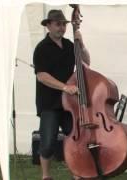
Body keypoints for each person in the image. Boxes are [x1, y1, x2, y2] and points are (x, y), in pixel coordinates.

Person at [33, 9, 90, 180]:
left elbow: (86, 62)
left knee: (75, 139)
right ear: (48, 26)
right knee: (48, 143)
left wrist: (82, 44)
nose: (62, 28)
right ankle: (45, 176)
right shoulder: (42, 48)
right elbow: (42, 76)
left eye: (64, 25)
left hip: (69, 103)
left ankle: (77, 173)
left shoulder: (69, 45)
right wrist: (65, 87)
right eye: (58, 24)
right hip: (49, 103)